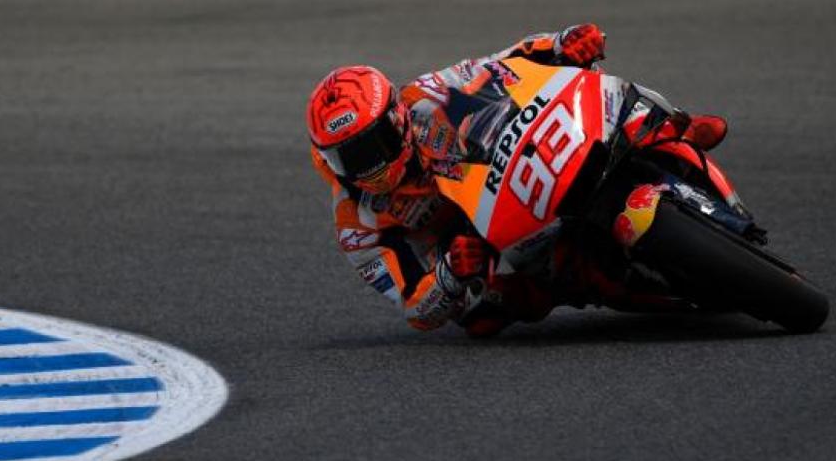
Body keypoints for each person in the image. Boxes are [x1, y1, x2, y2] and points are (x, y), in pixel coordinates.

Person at [306, 24, 728, 336]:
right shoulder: (354, 221)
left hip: (502, 170)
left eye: (371, 145)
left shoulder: (426, 95)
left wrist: (562, 44)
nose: (368, 166)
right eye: (348, 157)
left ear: (395, 119)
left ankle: (675, 129)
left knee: (595, 97)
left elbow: (503, 65)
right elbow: (414, 307)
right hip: (473, 246)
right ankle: (610, 284)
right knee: (484, 317)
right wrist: (450, 275)